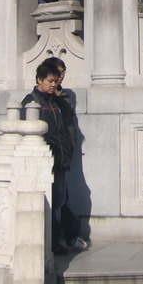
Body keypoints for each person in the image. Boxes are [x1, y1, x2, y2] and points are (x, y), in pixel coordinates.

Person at [22, 59, 87, 255]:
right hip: (42, 162)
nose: (54, 84)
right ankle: (55, 241)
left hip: (59, 160)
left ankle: (60, 238)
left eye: (55, 80)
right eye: (50, 80)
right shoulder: (31, 103)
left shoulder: (57, 101)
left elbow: (63, 132)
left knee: (58, 200)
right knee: (49, 202)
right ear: (39, 80)